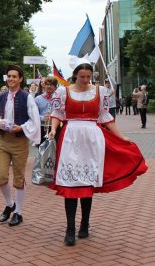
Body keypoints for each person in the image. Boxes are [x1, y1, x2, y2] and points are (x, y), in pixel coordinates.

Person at [48, 63, 148, 246]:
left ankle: (84, 224)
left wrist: (121, 136)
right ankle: (70, 229)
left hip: (93, 138)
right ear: (75, 76)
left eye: (89, 77)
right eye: (82, 77)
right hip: (71, 136)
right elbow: (57, 113)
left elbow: (105, 117)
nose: (86, 80)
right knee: (70, 183)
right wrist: (53, 130)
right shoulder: (63, 92)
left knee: (87, 182)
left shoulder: (100, 92)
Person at [0, 65, 40, 227]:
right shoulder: (1, 96)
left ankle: (18, 213)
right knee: (1, 177)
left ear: (20, 79)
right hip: (4, 140)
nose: (11, 79)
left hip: (19, 141)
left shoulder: (27, 97)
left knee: (18, 178)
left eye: (14, 76)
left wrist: (22, 127)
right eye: (8, 76)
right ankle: (10, 204)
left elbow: (34, 119)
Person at [35, 76, 58, 144]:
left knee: (55, 151)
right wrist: (42, 118)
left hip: (55, 128)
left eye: (51, 84)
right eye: (47, 84)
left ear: (55, 86)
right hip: (42, 127)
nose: (49, 86)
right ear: (44, 86)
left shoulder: (58, 98)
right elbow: (33, 115)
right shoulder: (38, 99)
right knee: (42, 151)